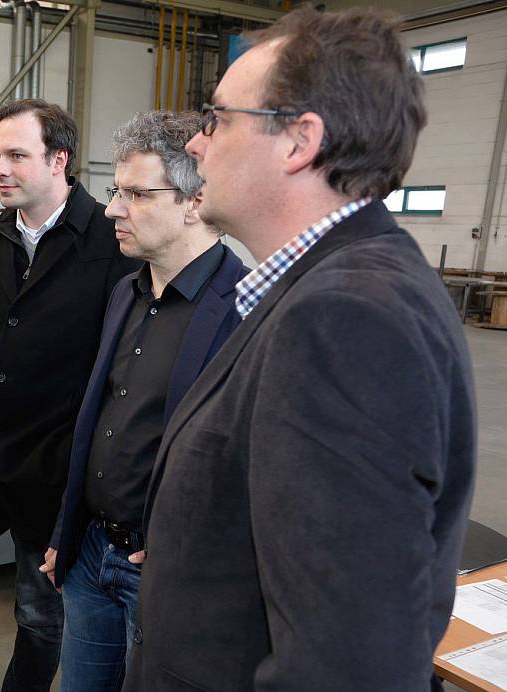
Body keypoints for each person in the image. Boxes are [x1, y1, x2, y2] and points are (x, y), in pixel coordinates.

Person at [124, 8, 476, 691]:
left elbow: (346, 663)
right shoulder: (335, 288)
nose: (197, 144)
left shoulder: (344, 320)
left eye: (218, 118)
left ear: (298, 142)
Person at [0, 99, 140, 692]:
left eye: (16, 155)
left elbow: (114, 371)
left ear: (59, 159)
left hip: (51, 470)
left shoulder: (110, 245)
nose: (0, 169)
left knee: (41, 618)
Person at [40, 110, 246, 692]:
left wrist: (186, 550)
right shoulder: (124, 294)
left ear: (194, 200)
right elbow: (95, 426)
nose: (112, 209)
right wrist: (66, 530)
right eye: (115, 190)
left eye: (136, 193)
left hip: (162, 574)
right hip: (90, 558)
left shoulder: (245, 310)